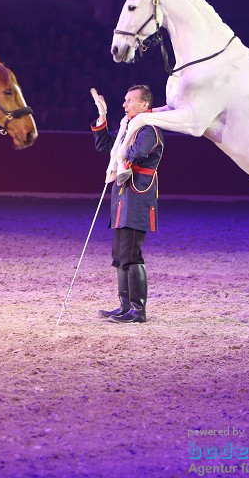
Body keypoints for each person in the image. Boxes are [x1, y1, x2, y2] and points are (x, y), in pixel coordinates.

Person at [90, 84, 164, 324]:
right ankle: (124, 306)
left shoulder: (149, 128)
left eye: (130, 100)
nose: (124, 105)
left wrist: (120, 146)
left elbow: (133, 152)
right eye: (125, 100)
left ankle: (137, 309)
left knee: (132, 254)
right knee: (121, 255)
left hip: (138, 195)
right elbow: (105, 147)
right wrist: (103, 116)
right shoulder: (129, 129)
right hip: (123, 196)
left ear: (144, 105)